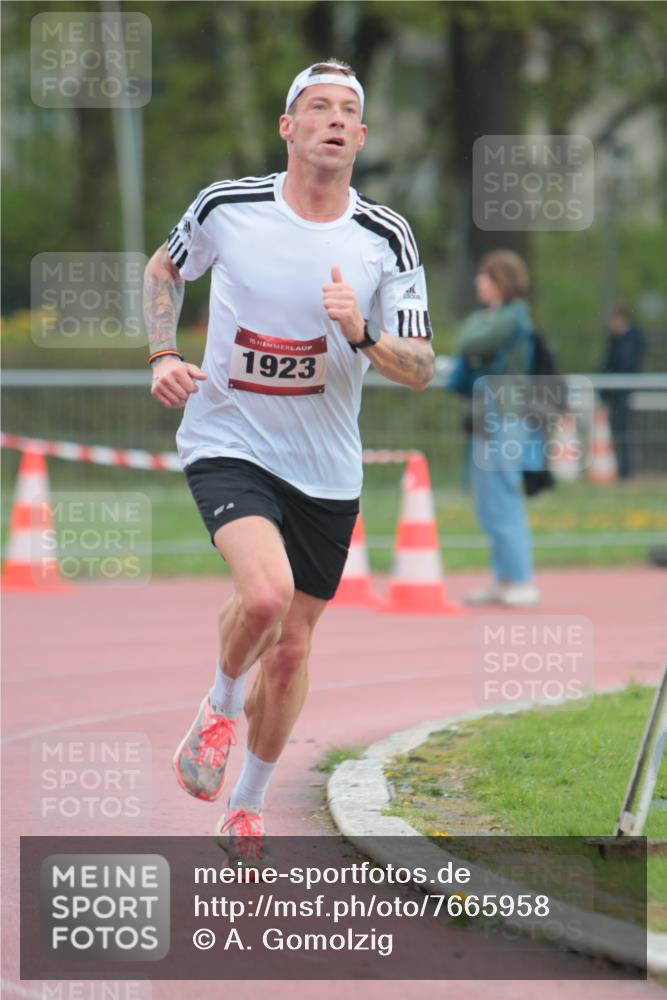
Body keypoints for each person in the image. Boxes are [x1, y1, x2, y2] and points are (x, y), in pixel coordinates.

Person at [143, 60, 435, 855]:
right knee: (265, 599)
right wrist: (163, 353)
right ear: (288, 127)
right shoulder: (227, 207)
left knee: (295, 648)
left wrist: (361, 334)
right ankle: (215, 708)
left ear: (362, 137)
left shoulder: (385, 237)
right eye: (317, 107)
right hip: (228, 437)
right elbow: (164, 267)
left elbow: (420, 368)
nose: (333, 120)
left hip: (326, 464)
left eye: (348, 110)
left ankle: (246, 803)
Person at [446, 250, 541, 607]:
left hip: (508, 414)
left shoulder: (514, 316)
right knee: (487, 500)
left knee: (503, 494)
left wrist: (474, 331)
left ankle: (521, 578)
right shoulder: (492, 316)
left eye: (485, 277)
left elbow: (470, 341)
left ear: (501, 281)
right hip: (488, 414)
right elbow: (469, 335)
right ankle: (503, 578)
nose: (478, 283)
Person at [601, 303, 645, 479]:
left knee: (624, 431)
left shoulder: (632, 339)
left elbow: (626, 365)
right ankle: (622, 470)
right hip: (614, 393)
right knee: (618, 432)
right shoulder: (615, 339)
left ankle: (626, 471)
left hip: (625, 392)